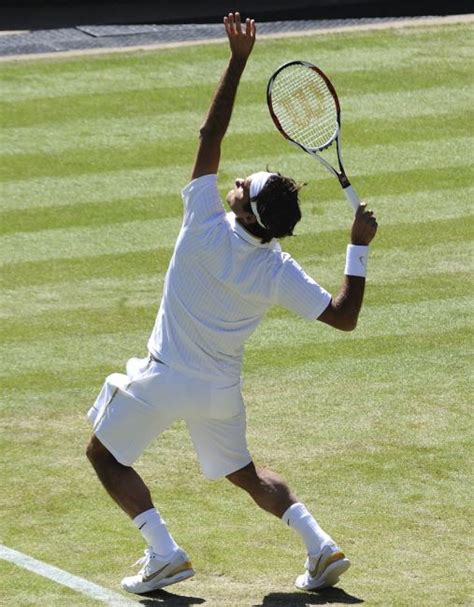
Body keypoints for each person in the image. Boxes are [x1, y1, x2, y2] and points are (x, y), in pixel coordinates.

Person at [86, 12, 378, 596]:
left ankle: (163, 552)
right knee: (244, 473)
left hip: (166, 377)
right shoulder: (276, 268)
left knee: (103, 456)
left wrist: (238, 59)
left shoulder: (203, 223)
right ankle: (320, 547)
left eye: (245, 185)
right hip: (219, 392)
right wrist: (357, 249)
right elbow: (344, 317)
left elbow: (208, 136)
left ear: (246, 213)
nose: (237, 181)